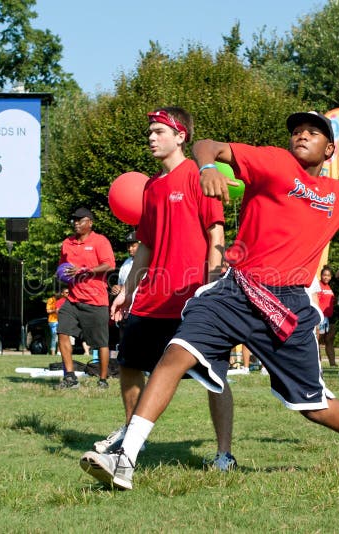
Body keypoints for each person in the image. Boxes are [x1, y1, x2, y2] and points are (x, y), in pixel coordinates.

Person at [80, 109, 339, 490]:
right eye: (297, 129)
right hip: (236, 289)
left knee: (312, 406)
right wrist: (207, 168)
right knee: (175, 352)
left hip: (286, 304)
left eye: (313, 132)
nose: (302, 135)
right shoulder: (274, 163)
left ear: (329, 151)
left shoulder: (336, 195)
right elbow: (209, 145)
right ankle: (125, 458)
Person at [94, 106, 234, 470]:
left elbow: (215, 232)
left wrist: (213, 283)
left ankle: (223, 454)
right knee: (128, 365)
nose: (151, 138)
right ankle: (131, 435)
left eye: (159, 131)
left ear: (180, 136)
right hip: (153, 297)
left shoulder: (200, 176)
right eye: (150, 132)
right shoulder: (152, 187)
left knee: (214, 378)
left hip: (192, 296)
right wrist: (127, 289)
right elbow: (147, 245)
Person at [56, 207, 116, 389]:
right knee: (62, 332)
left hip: (96, 301)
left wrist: (84, 270)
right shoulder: (67, 243)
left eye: (80, 220)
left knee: (101, 343)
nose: (76, 223)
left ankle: (103, 380)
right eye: (74, 220)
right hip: (73, 300)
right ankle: (70, 378)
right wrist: (62, 275)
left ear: (90, 223)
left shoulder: (100, 241)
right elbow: (62, 267)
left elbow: (109, 264)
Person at [311, 266, 338, 367]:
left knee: (329, 340)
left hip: (328, 317)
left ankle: (333, 363)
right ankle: (317, 362)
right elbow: (315, 301)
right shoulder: (318, 285)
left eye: (328, 275)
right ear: (321, 275)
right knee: (317, 340)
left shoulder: (329, 287)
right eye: (324, 275)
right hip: (320, 317)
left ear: (331, 277)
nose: (326, 277)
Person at [46, 291, 60, 356]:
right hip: (53, 321)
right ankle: (53, 353)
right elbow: (48, 310)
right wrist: (55, 310)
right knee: (54, 336)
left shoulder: (61, 300)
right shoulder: (50, 300)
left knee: (61, 336)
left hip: (60, 320)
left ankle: (59, 352)